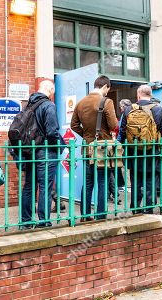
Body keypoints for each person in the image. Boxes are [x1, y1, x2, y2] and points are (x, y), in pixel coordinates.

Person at [71, 75, 118, 220]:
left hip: (86, 148)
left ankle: (85, 215)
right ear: (105, 87)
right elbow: (113, 125)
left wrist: (86, 135)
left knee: (88, 182)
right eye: (108, 89)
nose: (107, 93)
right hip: (102, 148)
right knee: (103, 181)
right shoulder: (107, 101)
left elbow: (74, 126)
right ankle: (100, 214)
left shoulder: (80, 103)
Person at [118, 85, 162, 214]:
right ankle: (148, 208)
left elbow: (122, 132)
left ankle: (135, 207)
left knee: (136, 179)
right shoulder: (159, 110)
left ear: (138, 95)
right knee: (151, 180)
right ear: (150, 94)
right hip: (152, 152)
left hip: (134, 152)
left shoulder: (129, 109)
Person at [21, 80, 64, 228]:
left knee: (29, 186)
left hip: (29, 150)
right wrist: (59, 146)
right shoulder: (49, 105)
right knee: (45, 186)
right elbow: (52, 132)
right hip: (45, 151)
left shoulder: (28, 105)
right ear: (50, 89)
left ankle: (25, 221)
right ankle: (44, 221)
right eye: (53, 91)